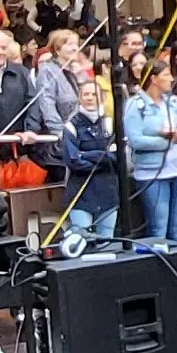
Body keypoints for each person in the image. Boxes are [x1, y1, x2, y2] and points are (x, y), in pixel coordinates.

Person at [123, 60, 177, 245]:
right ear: (154, 79)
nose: (171, 78)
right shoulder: (135, 105)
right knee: (158, 228)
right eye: (166, 75)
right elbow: (135, 140)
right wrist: (166, 140)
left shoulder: (173, 102)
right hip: (151, 173)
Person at [58, 81, 121, 240]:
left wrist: (87, 155)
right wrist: (104, 156)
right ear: (79, 98)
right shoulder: (70, 127)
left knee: (107, 241)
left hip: (108, 193)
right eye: (86, 94)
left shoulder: (111, 124)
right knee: (82, 241)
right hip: (81, 194)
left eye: (94, 94)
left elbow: (119, 158)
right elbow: (73, 161)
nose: (90, 98)